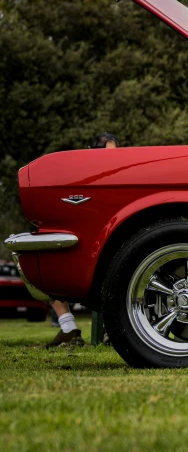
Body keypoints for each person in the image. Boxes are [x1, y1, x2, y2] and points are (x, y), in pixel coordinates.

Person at [45, 133, 121, 348]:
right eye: (105, 152)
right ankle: (68, 329)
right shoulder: (81, 175)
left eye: (115, 153)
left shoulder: (122, 176)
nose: (110, 158)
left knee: (113, 276)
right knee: (54, 273)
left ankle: (110, 331)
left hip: (108, 242)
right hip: (82, 238)